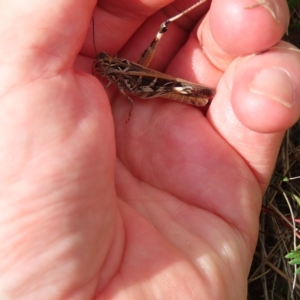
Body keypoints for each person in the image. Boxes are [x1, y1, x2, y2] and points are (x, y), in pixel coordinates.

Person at [0, 0, 299, 299]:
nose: (101, 67)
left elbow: (130, 97)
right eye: (102, 64)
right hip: (147, 87)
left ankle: (192, 84)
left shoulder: (115, 78)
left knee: (162, 28)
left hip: (151, 86)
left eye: (104, 64)